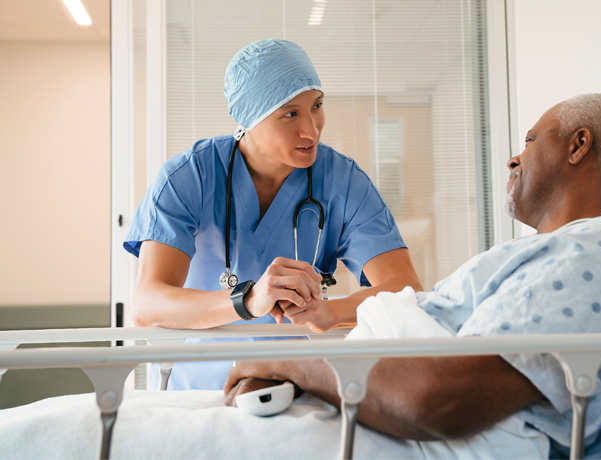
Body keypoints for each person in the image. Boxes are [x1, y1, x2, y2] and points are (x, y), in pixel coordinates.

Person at [224, 93, 601, 455]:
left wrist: (289, 361)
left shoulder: (596, 256)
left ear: (578, 144)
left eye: (529, 141)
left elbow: (441, 399)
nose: (513, 159)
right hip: (369, 401)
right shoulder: (550, 253)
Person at [123, 39, 422, 390]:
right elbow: (146, 304)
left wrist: (331, 312)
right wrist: (248, 300)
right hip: (199, 395)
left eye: (317, 106)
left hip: (297, 389)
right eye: (290, 113)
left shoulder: (342, 182)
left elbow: (405, 288)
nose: (311, 129)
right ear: (249, 118)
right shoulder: (191, 176)